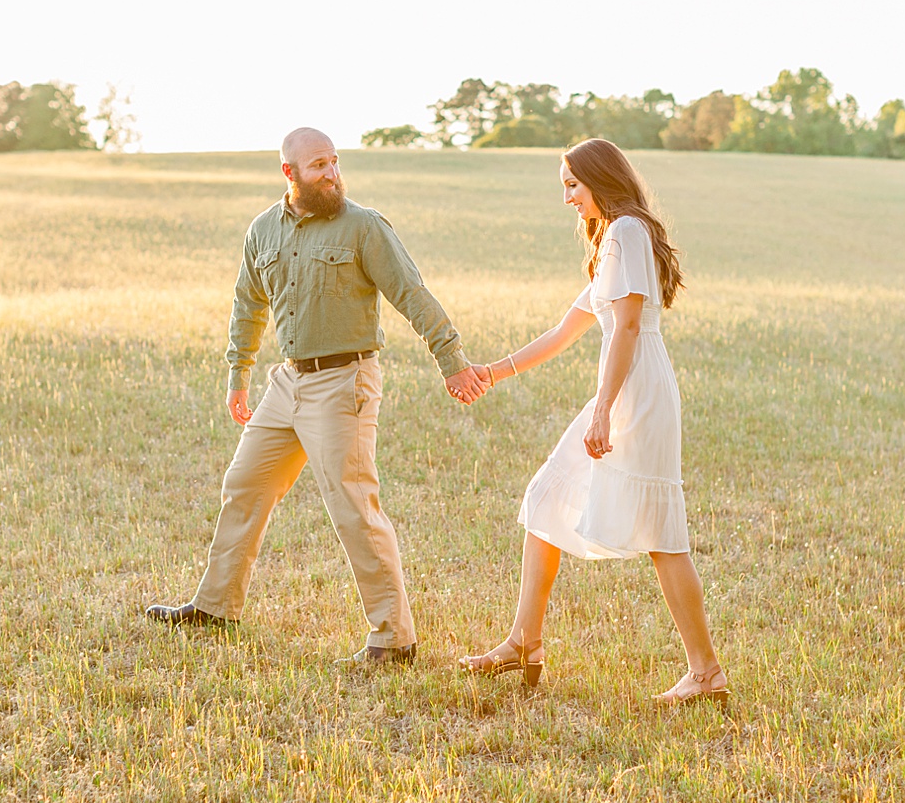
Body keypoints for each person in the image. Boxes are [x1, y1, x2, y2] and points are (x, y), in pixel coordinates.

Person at [146, 127, 489, 664]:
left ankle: (393, 638)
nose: (331, 173)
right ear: (290, 174)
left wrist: (452, 362)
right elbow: (248, 303)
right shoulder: (263, 230)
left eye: (334, 162)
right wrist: (239, 374)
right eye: (318, 166)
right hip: (286, 382)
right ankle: (214, 607)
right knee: (244, 483)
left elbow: (411, 293)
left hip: (344, 381)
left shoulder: (363, 227)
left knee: (353, 505)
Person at [458, 137, 727, 704]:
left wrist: (603, 409)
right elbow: (565, 331)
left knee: (661, 534)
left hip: (636, 391)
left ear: (600, 180)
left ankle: (705, 672)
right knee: (546, 497)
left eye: (572, 186)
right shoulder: (616, 239)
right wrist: (492, 371)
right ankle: (523, 642)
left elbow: (627, 328)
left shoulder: (628, 232)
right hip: (627, 386)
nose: (567, 200)